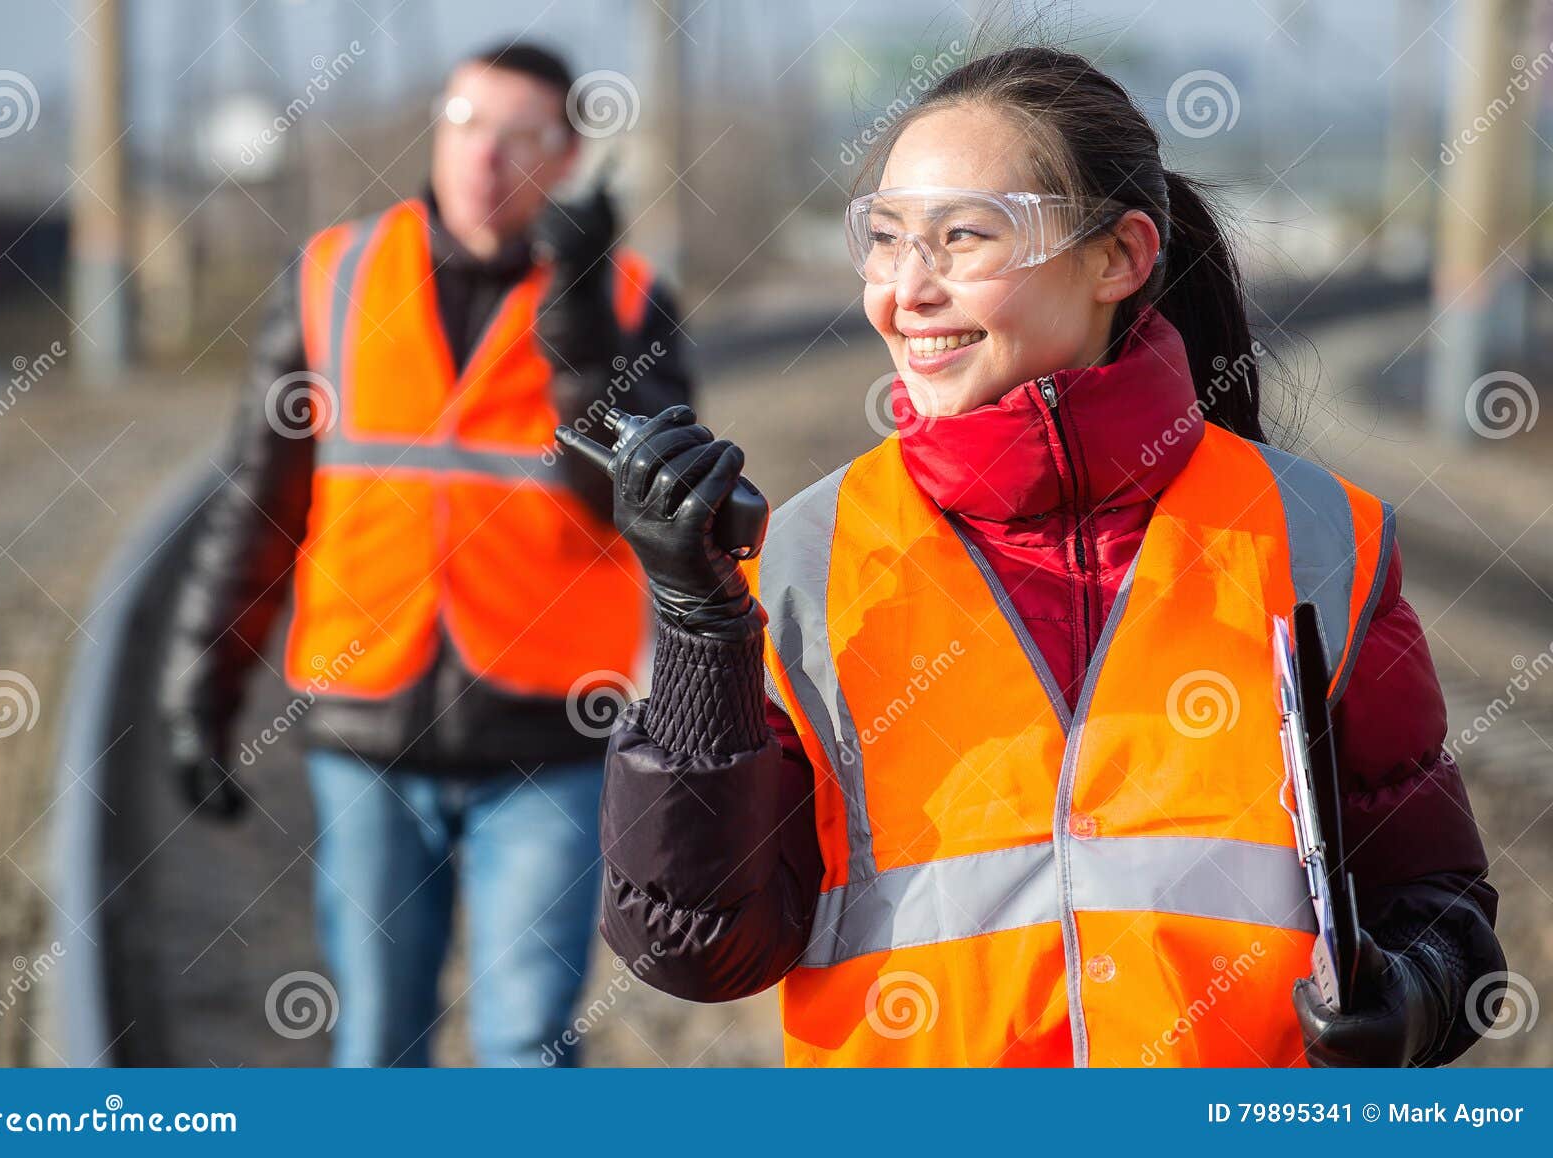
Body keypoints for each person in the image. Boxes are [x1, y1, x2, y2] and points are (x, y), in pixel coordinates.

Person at [586, 45, 1506, 1066]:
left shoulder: (1318, 538)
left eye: (961, 238)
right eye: (886, 242)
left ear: (1119, 257)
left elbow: (1439, 917)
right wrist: (697, 623)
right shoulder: (804, 552)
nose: (906, 291)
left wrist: (1413, 999)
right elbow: (696, 948)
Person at [159, 41, 691, 1067]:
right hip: (369, 732)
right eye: (464, 124)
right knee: (376, 1044)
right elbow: (260, 504)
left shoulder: (626, 300)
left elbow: (642, 503)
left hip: (548, 738)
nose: (484, 158)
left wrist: (578, 317)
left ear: (568, 156)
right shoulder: (334, 274)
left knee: (527, 1044)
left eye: (518, 137)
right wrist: (204, 686)